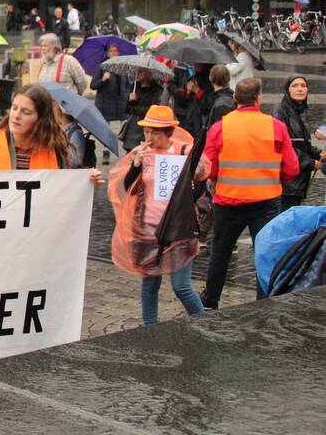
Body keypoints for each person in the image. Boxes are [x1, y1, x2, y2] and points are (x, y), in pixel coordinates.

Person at [200, 78, 299, 309]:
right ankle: (263, 301)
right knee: (266, 254)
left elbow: (208, 167)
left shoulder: (220, 127)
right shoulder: (275, 126)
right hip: (266, 200)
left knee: (220, 253)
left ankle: (210, 300)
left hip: (228, 200)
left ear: (235, 99)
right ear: (259, 99)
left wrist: (218, 180)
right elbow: (292, 168)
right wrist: (273, 179)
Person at [108, 106, 208, 325]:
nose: (149, 137)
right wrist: (135, 166)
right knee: (150, 285)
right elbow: (124, 190)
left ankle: (205, 324)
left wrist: (196, 175)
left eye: (155, 132)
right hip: (148, 229)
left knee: (182, 286)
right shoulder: (140, 154)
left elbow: (200, 190)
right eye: (146, 132)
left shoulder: (184, 152)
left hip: (178, 228)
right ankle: (149, 328)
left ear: (168, 132)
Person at [273, 75, 322, 212]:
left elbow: (302, 144)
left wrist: (318, 154)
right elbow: (283, 146)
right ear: (287, 90)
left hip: (298, 182)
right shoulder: (280, 111)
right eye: (295, 86)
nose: (300, 89)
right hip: (287, 182)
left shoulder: (301, 111)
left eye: (303, 86)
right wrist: (311, 163)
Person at [90, 43, 129, 164]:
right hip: (105, 103)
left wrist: (128, 96)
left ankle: (129, 150)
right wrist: (103, 79)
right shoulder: (102, 67)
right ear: (107, 53)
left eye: (116, 51)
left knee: (127, 126)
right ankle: (106, 152)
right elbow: (93, 85)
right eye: (111, 51)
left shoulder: (123, 67)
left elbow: (127, 84)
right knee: (106, 129)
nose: (113, 53)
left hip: (120, 103)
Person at [122, 68, 168, 153]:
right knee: (131, 153)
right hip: (133, 126)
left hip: (147, 126)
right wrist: (130, 101)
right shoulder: (134, 87)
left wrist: (135, 106)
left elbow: (153, 109)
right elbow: (126, 109)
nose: (137, 74)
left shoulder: (157, 89)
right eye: (137, 71)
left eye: (141, 71)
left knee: (146, 151)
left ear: (148, 73)